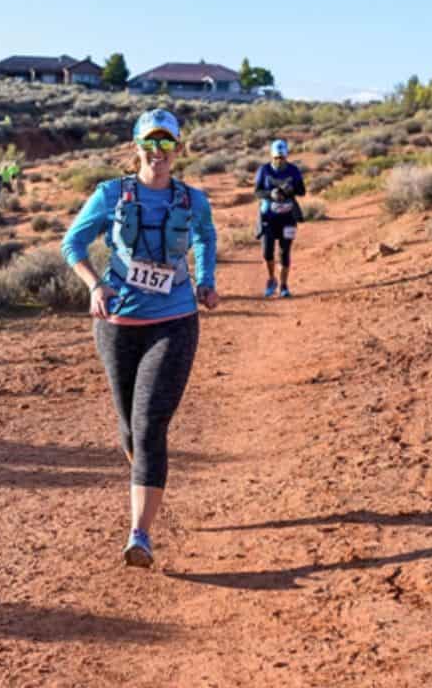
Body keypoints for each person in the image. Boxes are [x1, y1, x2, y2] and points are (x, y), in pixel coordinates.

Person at [62, 108, 218, 569]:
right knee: (129, 427)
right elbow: (72, 243)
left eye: (167, 143)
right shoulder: (111, 194)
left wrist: (206, 281)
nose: (158, 152)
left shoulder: (193, 201)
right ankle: (147, 479)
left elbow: (205, 239)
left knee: (150, 426)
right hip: (117, 325)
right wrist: (94, 284)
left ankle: (140, 534)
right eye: (150, 142)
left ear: (178, 149)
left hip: (175, 322)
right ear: (137, 147)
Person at [254, 139, 305, 298]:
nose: (279, 161)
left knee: (284, 253)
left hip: (288, 218)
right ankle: (271, 279)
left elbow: (302, 191)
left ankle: (283, 285)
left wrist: (290, 190)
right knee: (267, 252)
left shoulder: (293, 170)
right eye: (276, 158)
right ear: (272, 156)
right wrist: (271, 194)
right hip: (268, 217)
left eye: (282, 158)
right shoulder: (264, 170)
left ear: (286, 156)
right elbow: (257, 192)